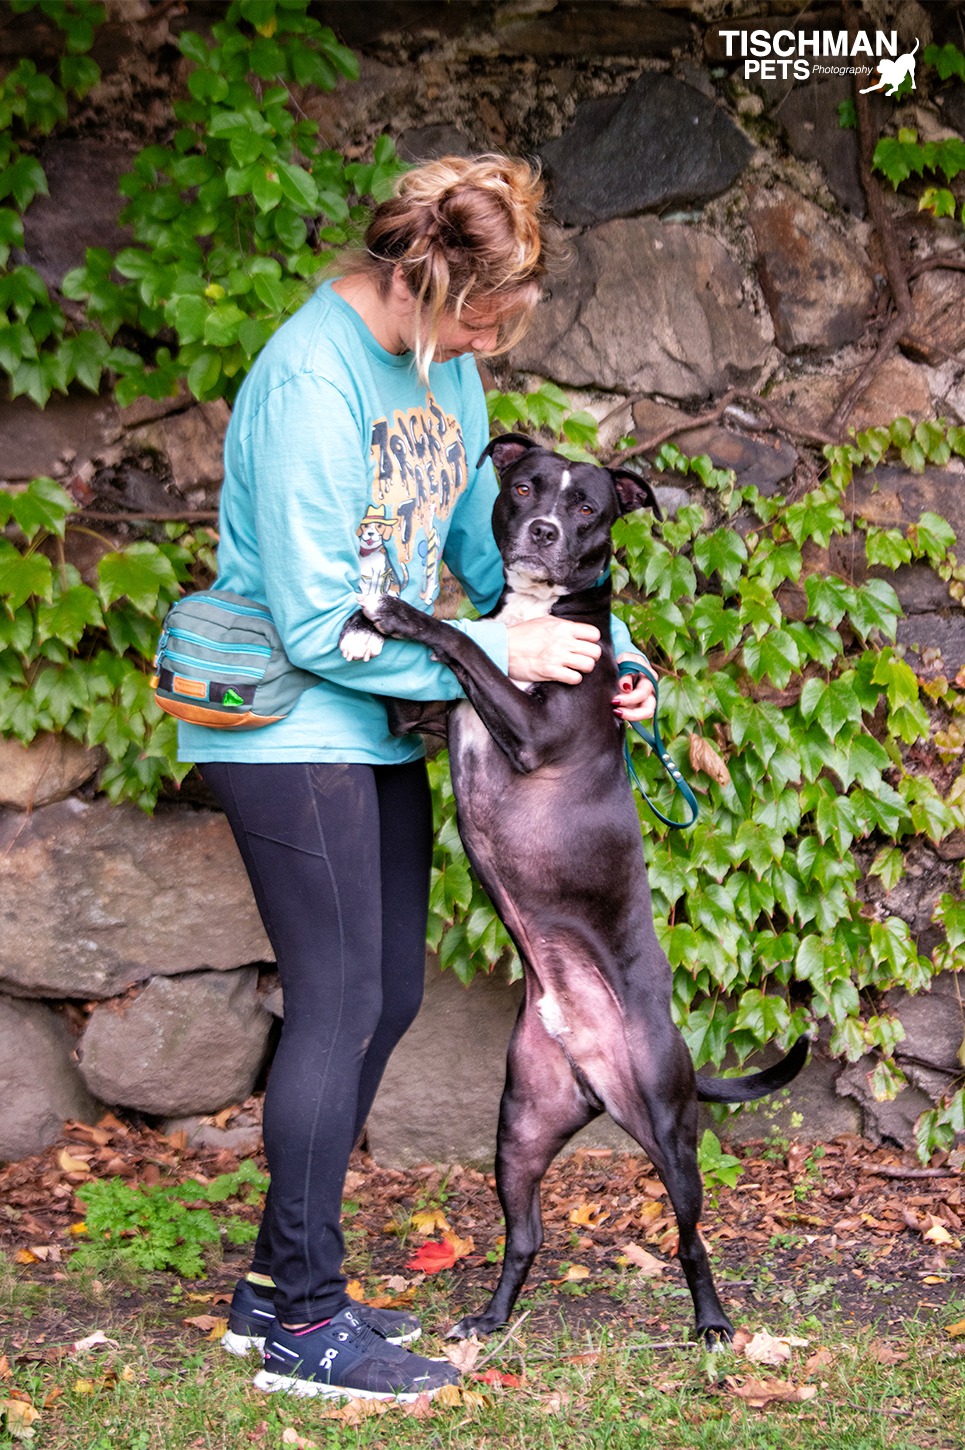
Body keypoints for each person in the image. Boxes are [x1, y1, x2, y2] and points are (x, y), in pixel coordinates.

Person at [177, 154, 656, 1402]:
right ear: (421, 276)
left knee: (384, 996)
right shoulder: (306, 382)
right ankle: (305, 1330)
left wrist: (607, 656)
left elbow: (482, 557)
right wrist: (500, 650)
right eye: (485, 313)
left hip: (381, 716)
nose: (493, 339)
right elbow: (316, 624)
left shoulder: (441, 368)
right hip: (286, 725)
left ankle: (277, 1287)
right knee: (338, 1003)